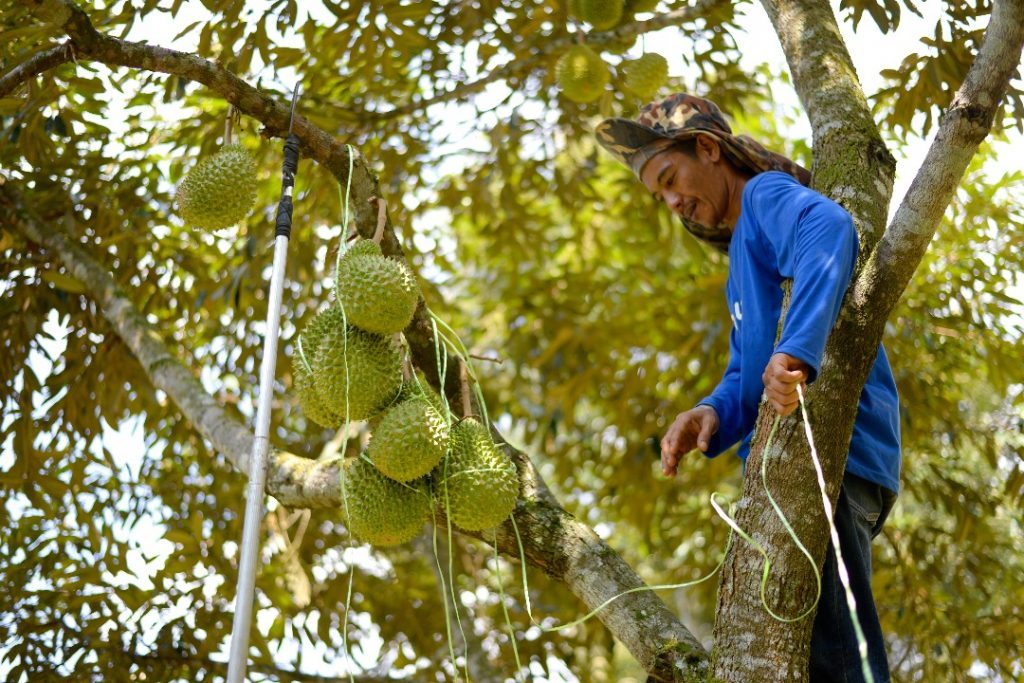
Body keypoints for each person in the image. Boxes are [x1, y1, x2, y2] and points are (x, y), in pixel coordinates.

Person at [595, 93, 901, 682]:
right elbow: (746, 369)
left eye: (669, 177)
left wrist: (795, 354)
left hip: (834, 459)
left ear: (706, 148)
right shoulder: (742, 255)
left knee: (842, 663)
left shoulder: (762, 196)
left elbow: (830, 227)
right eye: (658, 195)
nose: (671, 200)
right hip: (819, 471)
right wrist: (710, 412)